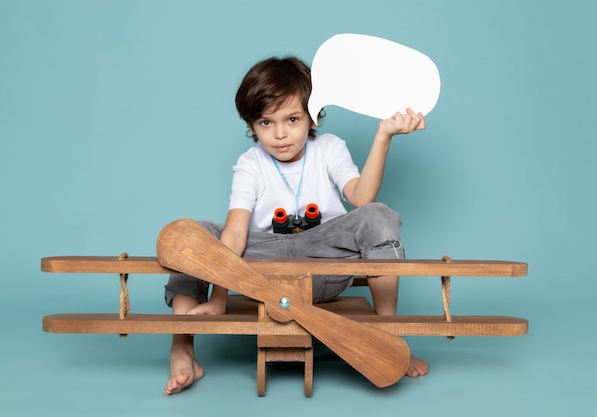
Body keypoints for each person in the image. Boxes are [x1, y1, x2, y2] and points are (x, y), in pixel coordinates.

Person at [163, 56, 428, 395]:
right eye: (265, 122)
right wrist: (220, 298)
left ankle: (390, 338)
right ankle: (182, 350)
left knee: (378, 214)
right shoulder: (251, 163)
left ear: (313, 115)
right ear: (251, 125)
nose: (280, 134)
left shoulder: (329, 148)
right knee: (192, 234)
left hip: (326, 264)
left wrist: (384, 135)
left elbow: (362, 197)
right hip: (263, 273)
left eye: (292, 119)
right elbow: (234, 232)